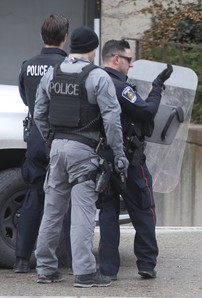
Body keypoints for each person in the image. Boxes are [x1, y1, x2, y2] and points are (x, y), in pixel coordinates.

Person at [33, 26, 129, 288]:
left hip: (57, 151)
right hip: (84, 154)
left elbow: (39, 113)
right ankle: (85, 273)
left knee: (52, 212)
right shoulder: (98, 76)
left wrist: (52, 141)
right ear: (94, 49)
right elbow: (112, 119)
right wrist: (119, 154)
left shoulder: (52, 73)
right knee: (83, 215)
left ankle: (46, 269)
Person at [97, 39, 172, 280]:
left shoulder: (94, 81)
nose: (132, 65)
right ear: (116, 59)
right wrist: (157, 88)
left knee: (107, 213)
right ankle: (146, 263)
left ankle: (108, 269)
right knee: (143, 209)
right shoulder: (120, 87)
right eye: (129, 59)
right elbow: (146, 111)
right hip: (128, 159)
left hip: (102, 159)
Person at [15, 14, 72, 273]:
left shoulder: (27, 66)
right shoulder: (69, 66)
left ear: (42, 37)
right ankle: (69, 259)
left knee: (35, 196)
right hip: (62, 136)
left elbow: (26, 99)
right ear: (65, 37)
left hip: (36, 138)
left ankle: (21, 259)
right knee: (68, 195)